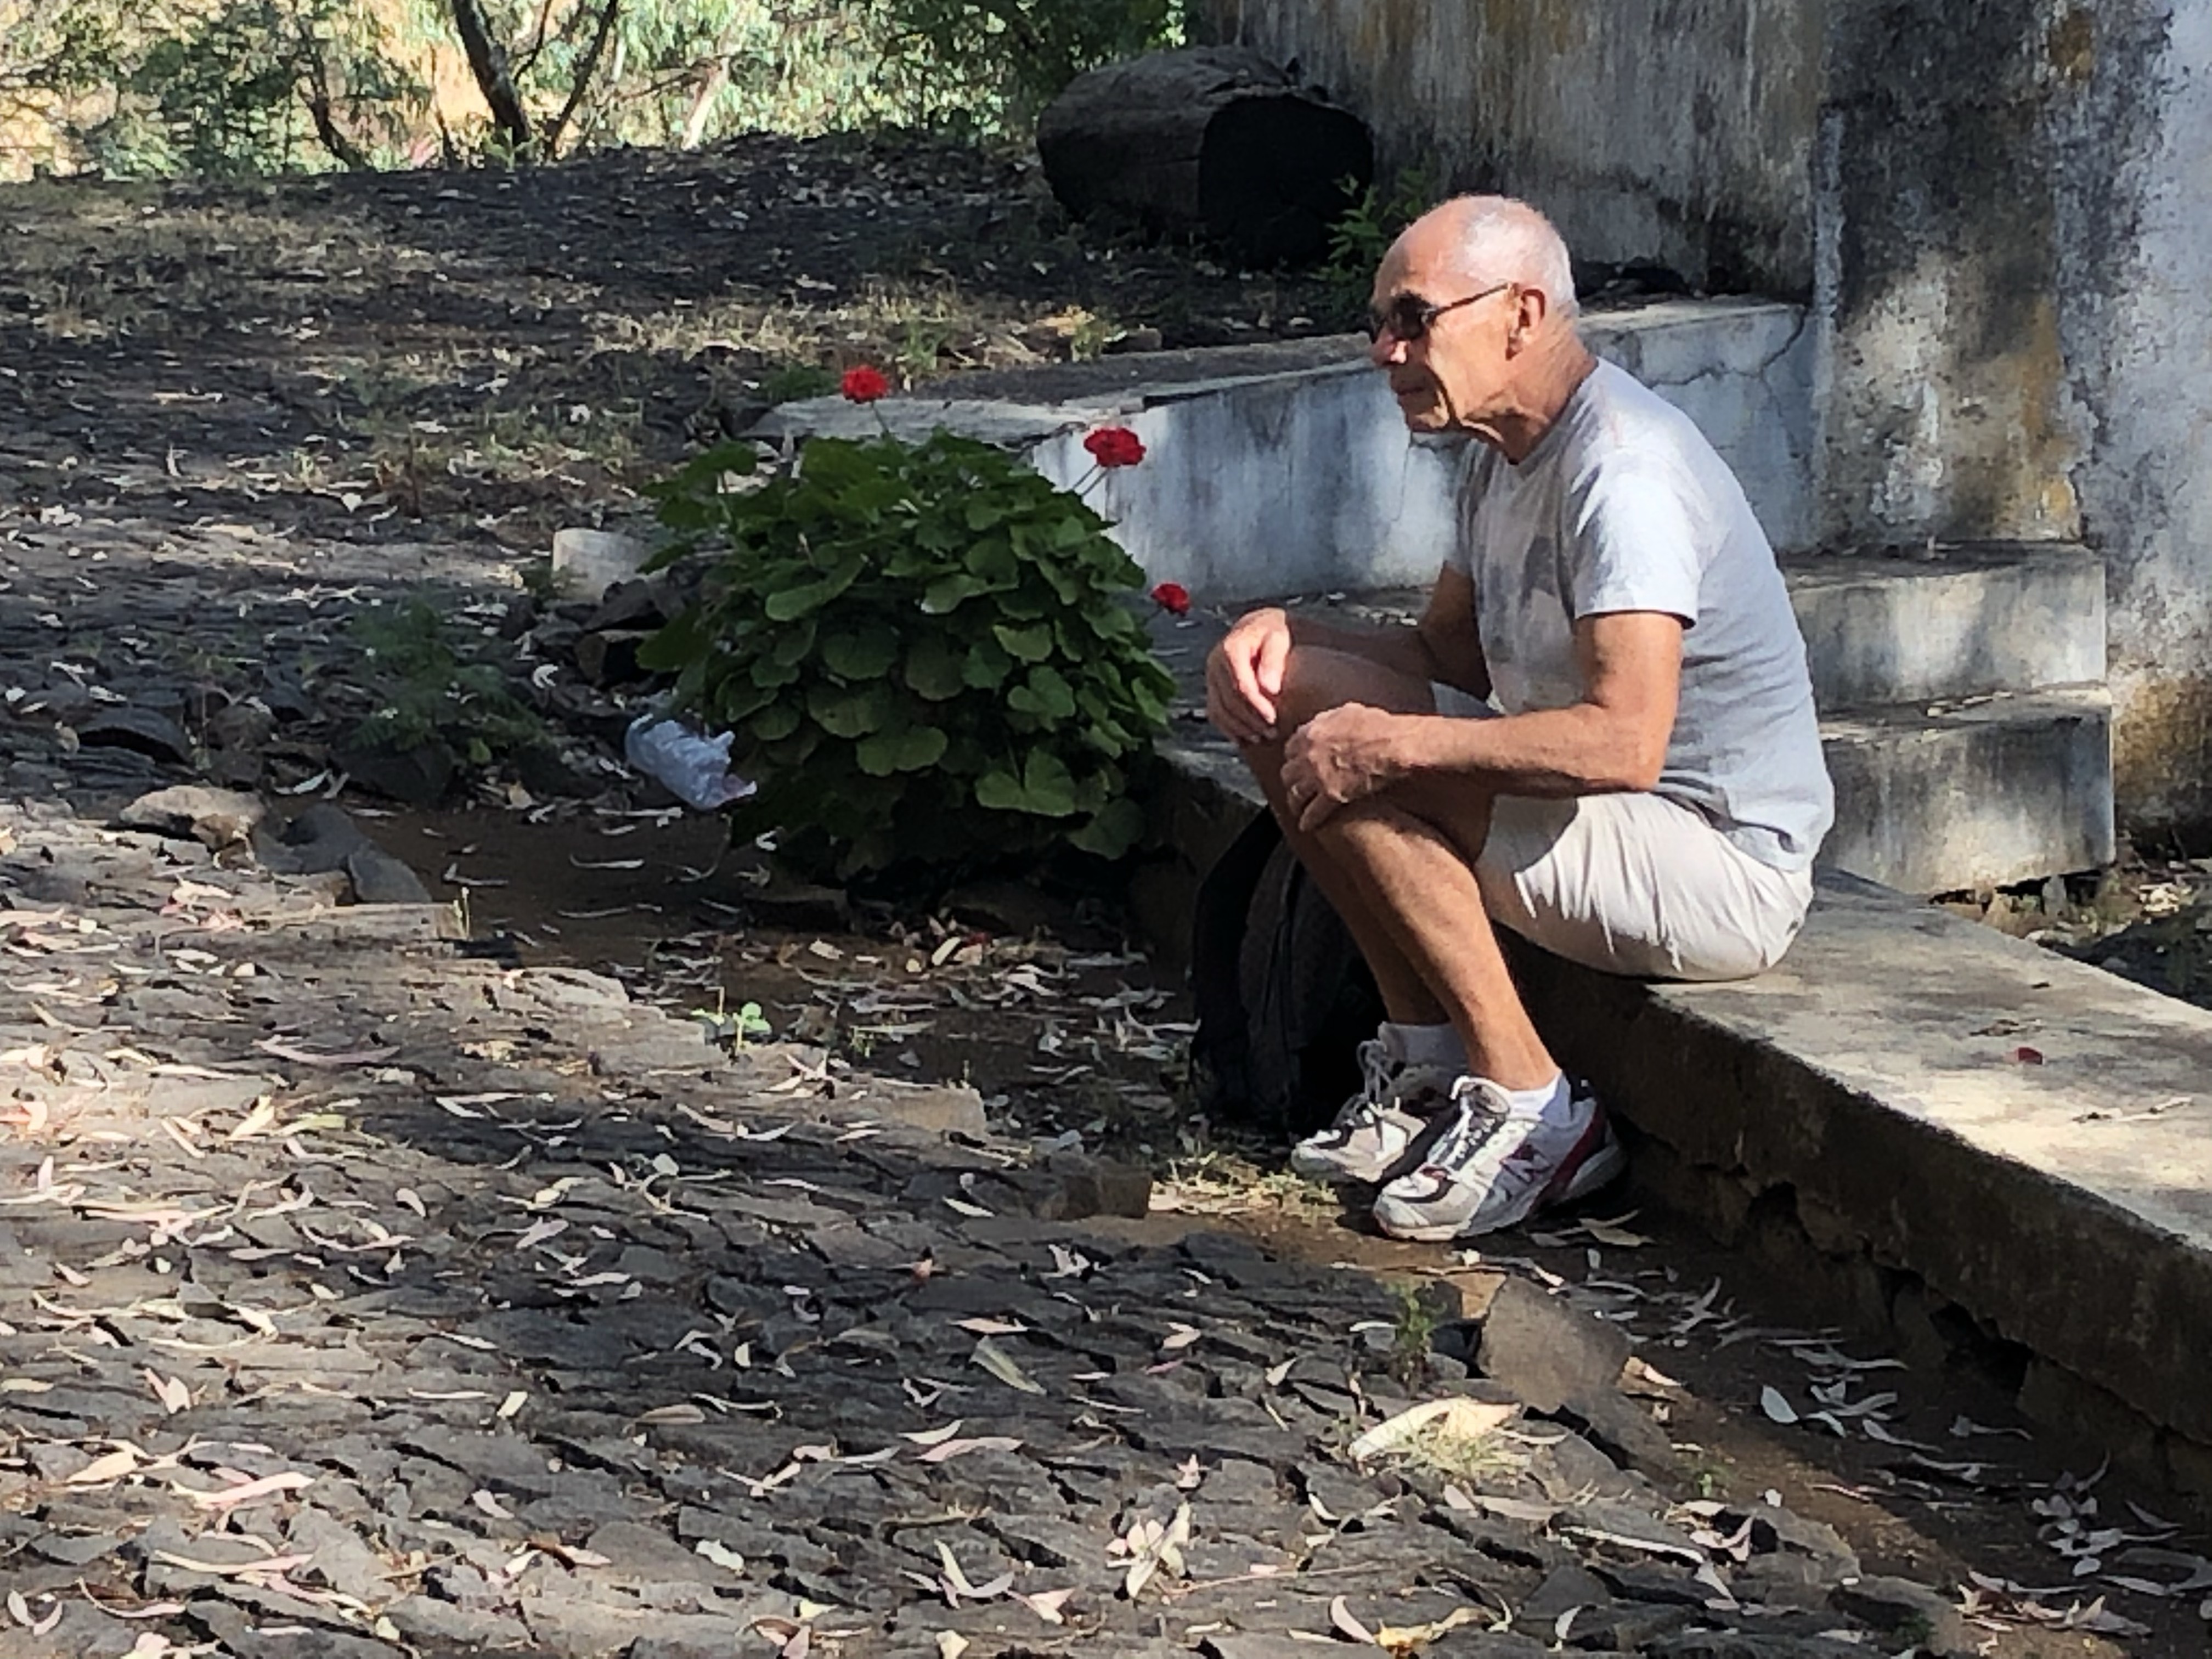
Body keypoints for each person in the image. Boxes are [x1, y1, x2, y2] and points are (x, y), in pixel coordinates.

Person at [1204, 195, 1833, 1241]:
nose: (1386, 351)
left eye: (1413, 318)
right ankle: (1426, 1066)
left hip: (1720, 869)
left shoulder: (1623, 471)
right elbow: (1446, 658)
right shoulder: (1501, 458)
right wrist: (1282, 631)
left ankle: (1534, 1106)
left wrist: (1400, 744)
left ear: (1521, 314)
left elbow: (1624, 742)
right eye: (1378, 324)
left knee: (1365, 747)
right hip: (1612, 829)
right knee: (1287, 696)